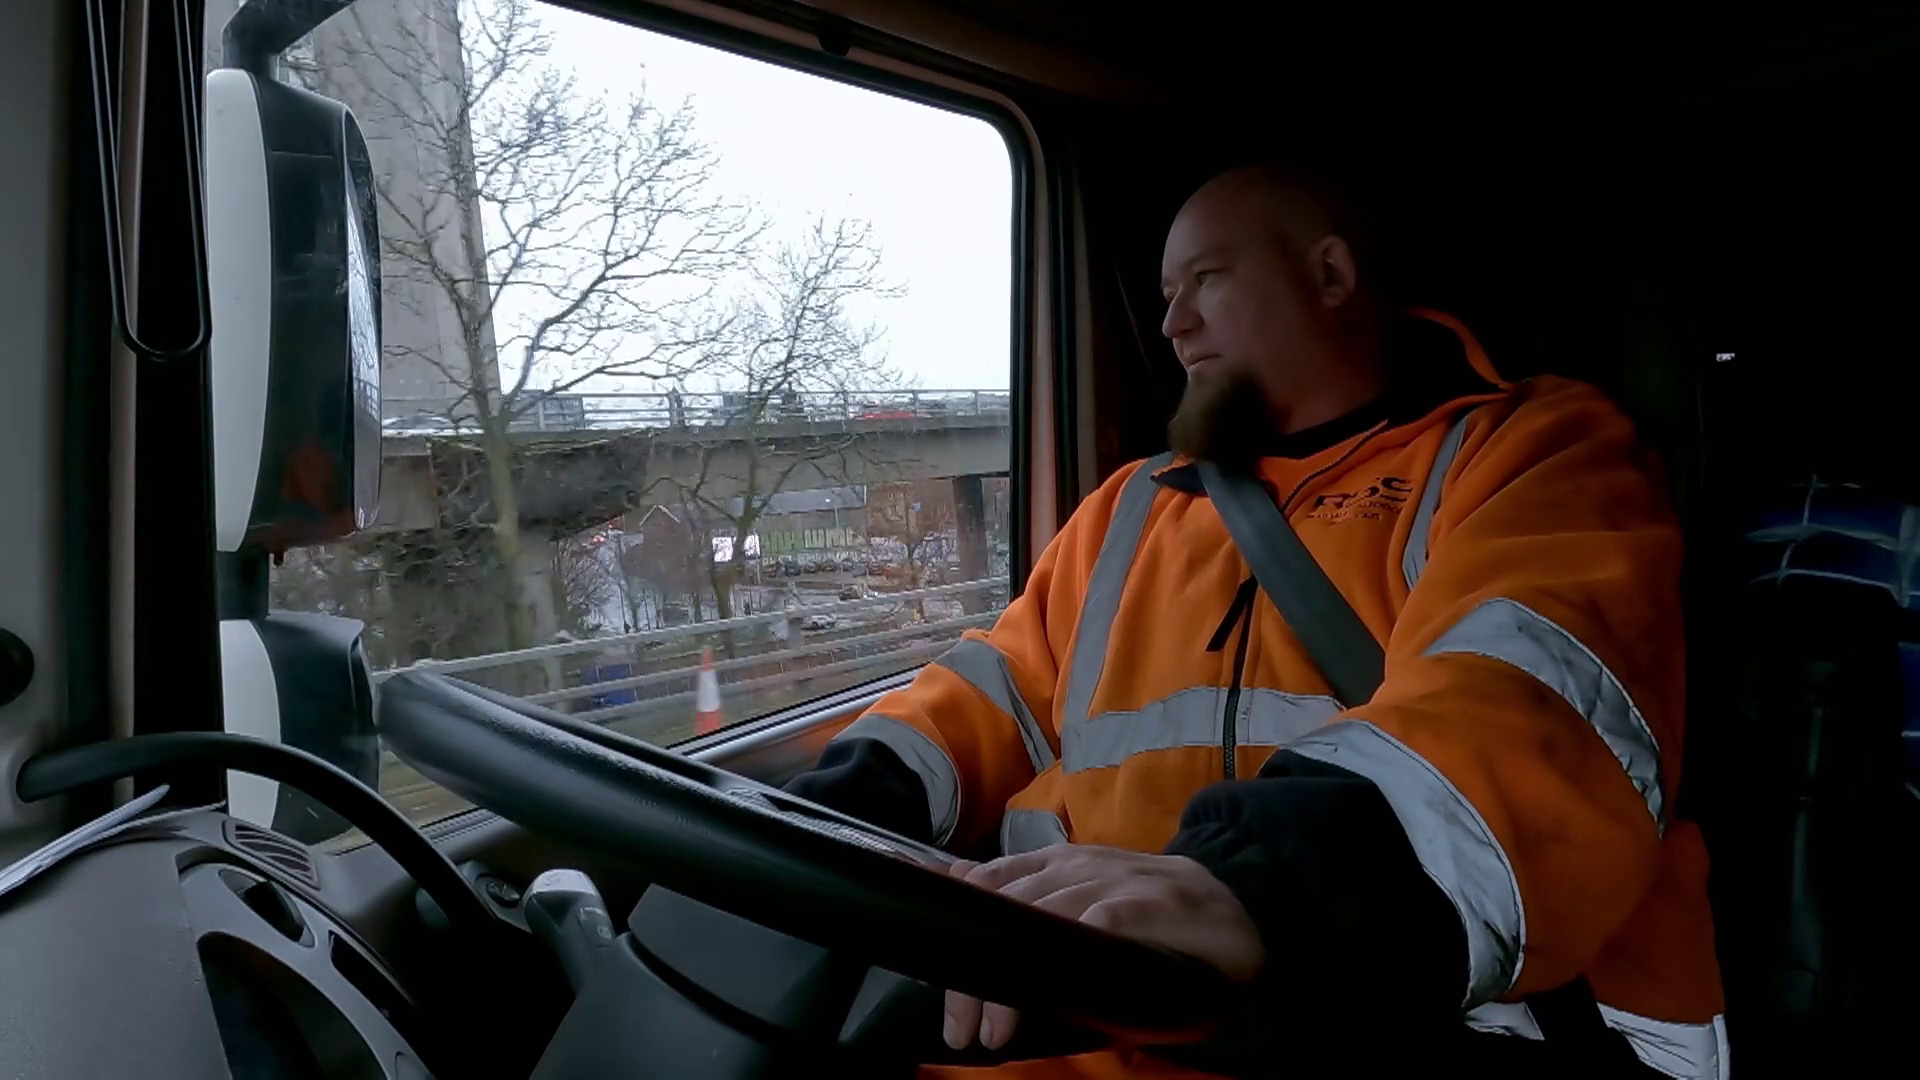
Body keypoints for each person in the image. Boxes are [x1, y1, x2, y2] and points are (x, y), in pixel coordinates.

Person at [785, 165, 1726, 1078]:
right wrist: (843, 802)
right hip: (1074, 1004)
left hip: (1419, 1019)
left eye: (1207, 279)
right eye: (1165, 295)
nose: (1173, 323)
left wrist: (1257, 885)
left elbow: (1523, 702)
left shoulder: (1534, 452)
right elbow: (996, 686)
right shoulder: (1130, 506)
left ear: (1329, 273)